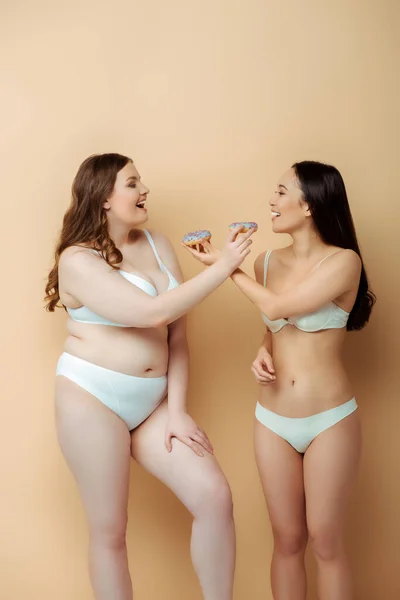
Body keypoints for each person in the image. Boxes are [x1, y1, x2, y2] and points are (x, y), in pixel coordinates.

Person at [44, 152, 254, 600]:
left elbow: (178, 333)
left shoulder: (157, 243)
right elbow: (152, 312)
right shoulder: (76, 261)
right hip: (92, 398)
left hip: (154, 405)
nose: (145, 191)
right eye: (133, 183)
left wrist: (176, 410)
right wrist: (224, 265)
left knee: (214, 497)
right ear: (103, 197)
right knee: (111, 531)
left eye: (142, 183)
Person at [185, 160, 376, 600]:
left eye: (280, 191)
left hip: (329, 418)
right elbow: (274, 325)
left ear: (309, 205)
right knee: (287, 542)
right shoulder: (266, 262)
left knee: (325, 542)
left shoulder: (345, 262)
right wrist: (262, 351)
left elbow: (278, 307)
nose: (271, 201)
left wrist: (226, 266)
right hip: (271, 418)